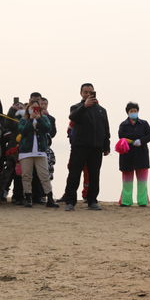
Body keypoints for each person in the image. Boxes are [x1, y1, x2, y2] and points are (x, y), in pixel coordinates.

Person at [62, 83, 110, 211]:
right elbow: (73, 117)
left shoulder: (101, 110)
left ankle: (92, 200)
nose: (88, 94)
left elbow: (105, 129)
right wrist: (84, 106)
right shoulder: (76, 107)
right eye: (85, 92)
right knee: (74, 174)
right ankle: (70, 202)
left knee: (94, 175)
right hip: (79, 146)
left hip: (96, 148)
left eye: (90, 92)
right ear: (81, 93)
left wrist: (106, 146)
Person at [17, 99, 59, 208]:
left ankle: (50, 198)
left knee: (44, 175)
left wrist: (39, 119)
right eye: (32, 108)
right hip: (26, 152)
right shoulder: (23, 120)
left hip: (40, 151)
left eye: (37, 108)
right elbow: (23, 131)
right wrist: (31, 120)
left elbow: (47, 129)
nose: (34, 110)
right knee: (26, 176)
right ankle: (28, 198)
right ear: (28, 109)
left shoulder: (44, 118)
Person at [117, 102, 150, 207]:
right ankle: (126, 201)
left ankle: (143, 201)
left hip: (141, 154)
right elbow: (121, 136)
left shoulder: (144, 124)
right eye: (131, 111)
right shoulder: (123, 125)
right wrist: (132, 141)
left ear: (138, 111)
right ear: (127, 112)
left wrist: (141, 141)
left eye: (135, 111)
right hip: (127, 155)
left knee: (142, 180)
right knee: (127, 180)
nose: (134, 113)